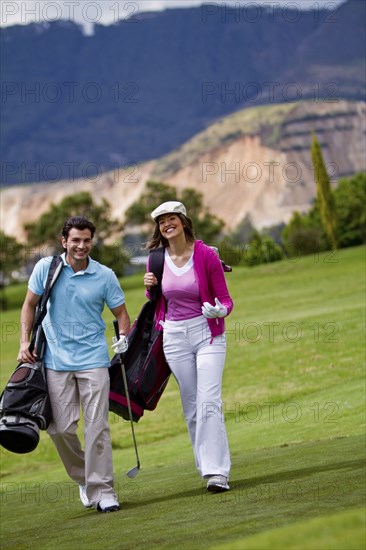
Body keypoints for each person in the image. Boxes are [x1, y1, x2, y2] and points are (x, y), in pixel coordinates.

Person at [18, 216, 130, 513]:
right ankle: (85, 479)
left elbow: (121, 314)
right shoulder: (47, 268)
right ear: (64, 241)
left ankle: (104, 490)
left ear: (92, 242)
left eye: (87, 240)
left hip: (93, 359)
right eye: (76, 240)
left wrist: (123, 338)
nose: (81, 245)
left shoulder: (105, 275)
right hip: (55, 361)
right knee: (60, 430)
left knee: (97, 427)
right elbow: (29, 304)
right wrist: (23, 341)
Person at [143, 201, 233, 492]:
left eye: (172, 219)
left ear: (183, 221)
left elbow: (226, 299)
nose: (167, 225)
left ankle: (218, 472)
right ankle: (206, 468)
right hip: (174, 337)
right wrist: (149, 285)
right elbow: (156, 299)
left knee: (209, 402)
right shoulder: (156, 259)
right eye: (161, 222)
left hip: (207, 332)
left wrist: (220, 310)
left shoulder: (206, 254)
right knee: (192, 406)